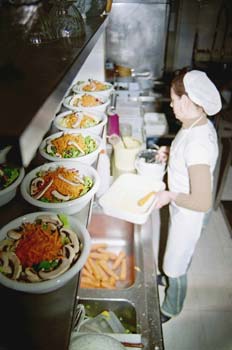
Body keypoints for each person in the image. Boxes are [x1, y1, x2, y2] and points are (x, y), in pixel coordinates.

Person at [153, 69, 222, 323]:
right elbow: (188, 154)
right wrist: (171, 152)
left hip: (191, 212)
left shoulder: (197, 144)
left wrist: (170, 195)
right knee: (179, 255)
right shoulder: (196, 123)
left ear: (186, 101)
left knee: (175, 264)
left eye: (173, 99)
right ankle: (173, 273)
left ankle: (172, 306)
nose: (171, 104)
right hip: (185, 209)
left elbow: (202, 201)